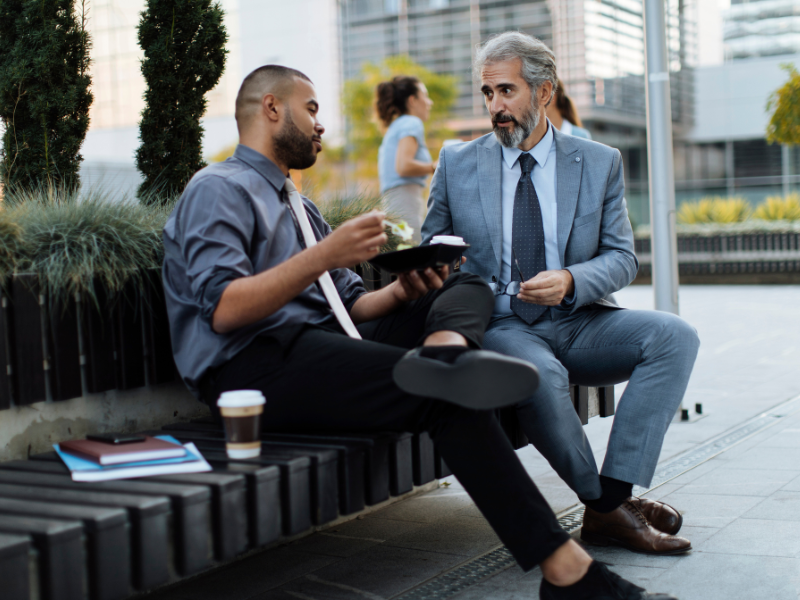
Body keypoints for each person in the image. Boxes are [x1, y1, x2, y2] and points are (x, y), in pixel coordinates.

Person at [162, 64, 679, 600]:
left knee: (466, 280)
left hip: (324, 349)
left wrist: (407, 291)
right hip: (253, 368)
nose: (321, 126)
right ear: (272, 108)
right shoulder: (219, 188)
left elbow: (354, 304)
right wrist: (326, 254)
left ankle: (445, 352)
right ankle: (571, 576)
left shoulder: (298, 203)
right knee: (444, 397)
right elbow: (223, 309)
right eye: (311, 109)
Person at [422, 31, 701, 558]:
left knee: (675, 336)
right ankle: (611, 510)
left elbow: (622, 258)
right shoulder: (457, 163)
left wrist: (572, 279)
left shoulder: (598, 162)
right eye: (487, 94)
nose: (495, 107)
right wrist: (441, 264)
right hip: (502, 324)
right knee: (539, 373)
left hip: (577, 321)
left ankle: (609, 502)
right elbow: (431, 247)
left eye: (506, 91)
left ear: (544, 91)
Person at [377, 76, 436, 244]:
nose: (429, 102)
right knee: (413, 259)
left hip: (396, 203)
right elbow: (403, 166)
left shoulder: (397, 125)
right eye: (425, 95)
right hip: (405, 203)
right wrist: (434, 166)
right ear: (412, 100)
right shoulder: (411, 122)